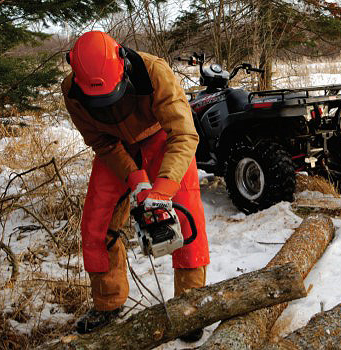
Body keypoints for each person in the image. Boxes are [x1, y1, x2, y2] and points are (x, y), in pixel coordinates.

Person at [61, 31, 209, 341]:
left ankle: (190, 306)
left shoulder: (154, 72)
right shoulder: (72, 92)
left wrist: (162, 188)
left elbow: (184, 134)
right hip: (115, 150)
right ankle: (107, 301)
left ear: (122, 62)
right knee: (96, 224)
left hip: (162, 140)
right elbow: (100, 141)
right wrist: (135, 178)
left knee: (186, 217)